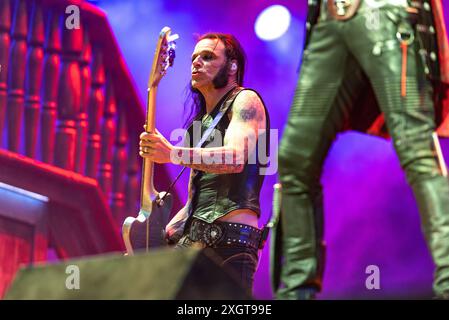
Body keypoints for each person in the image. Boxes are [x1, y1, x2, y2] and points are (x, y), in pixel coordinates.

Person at [272, 0, 449, 299]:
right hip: (330, 17)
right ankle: (296, 291)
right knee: (294, 159)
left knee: (415, 147)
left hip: (385, 9)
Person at [139, 33, 269, 294]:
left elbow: (234, 158)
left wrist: (172, 153)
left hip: (229, 244)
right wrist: (157, 237)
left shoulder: (245, 100)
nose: (196, 62)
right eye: (194, 58)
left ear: (232, 67)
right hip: (192, 241)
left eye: (208, 57)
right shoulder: (200, 125)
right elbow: (196, 201)